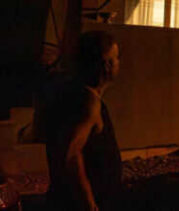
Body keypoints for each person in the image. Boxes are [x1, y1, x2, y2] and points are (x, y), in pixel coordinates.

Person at [44, 31, 123, 211]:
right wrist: (88, 203)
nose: (119, 63)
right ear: (107, 65)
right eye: (116, 58)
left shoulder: (77, 94)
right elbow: (70, 155)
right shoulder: (88, 103)